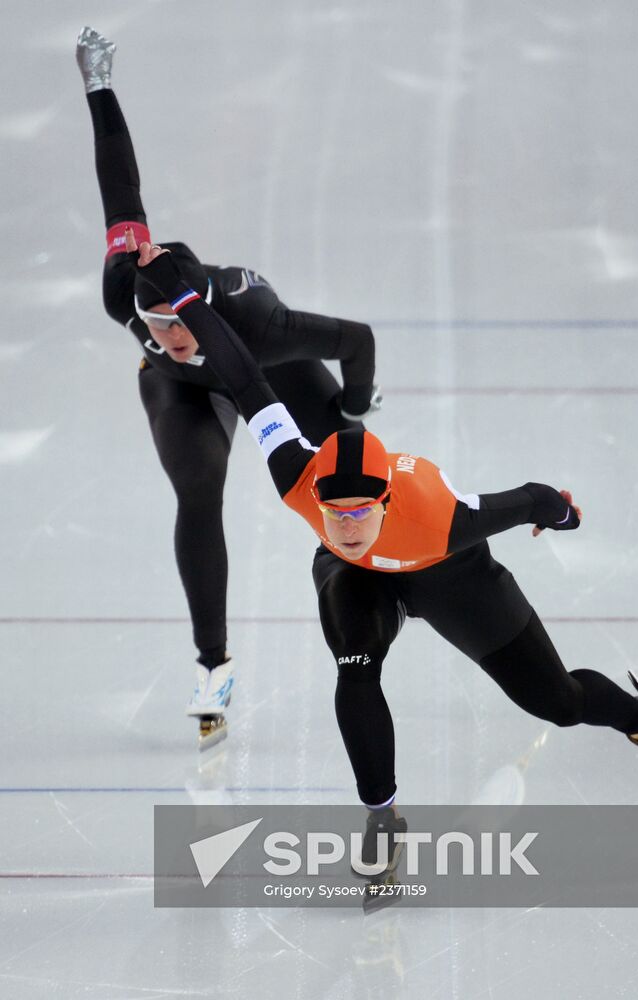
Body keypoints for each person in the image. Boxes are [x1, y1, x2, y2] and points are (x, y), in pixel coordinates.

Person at [126, 235, 638, 854]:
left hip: (446, 569)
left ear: (385, 501)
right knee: (356, 666)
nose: (346, 526)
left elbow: (529, 497)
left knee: (558, 701)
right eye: (333, 513)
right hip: (357, 578)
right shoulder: (295, 470)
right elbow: (242, 371)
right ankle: (382, 818)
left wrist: (563, 514)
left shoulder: (441, 516)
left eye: (359, 513)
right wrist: (185, 295)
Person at [76, 28, 382, 747]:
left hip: (262, 364)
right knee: (199, 488)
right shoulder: (126, 289)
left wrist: (355, 404)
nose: (173, 336)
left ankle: (394, 576)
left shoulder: (257, 319)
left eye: (180, 325)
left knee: (349, 456)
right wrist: (99, 84)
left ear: (199, 308)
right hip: (183, 394)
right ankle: (213, 664)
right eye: (157, 326)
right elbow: (119, 181)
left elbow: (357, 340)